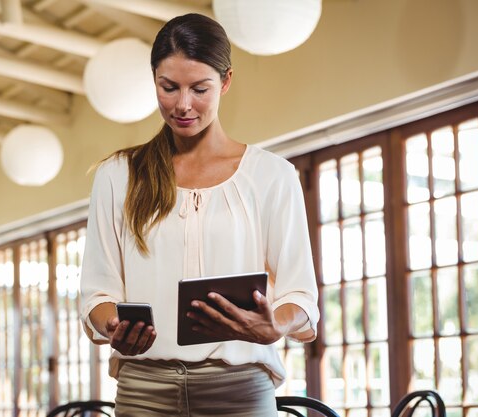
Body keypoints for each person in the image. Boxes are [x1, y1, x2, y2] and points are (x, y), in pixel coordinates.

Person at [80, 13, 319, 417]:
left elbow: (301, 292)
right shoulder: (117, 176)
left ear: (225, 81)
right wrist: (113, 327)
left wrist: (275, 325)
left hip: (240, 392)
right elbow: (97, 292)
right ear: (154, 79)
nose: (183, 105)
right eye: (168, 87)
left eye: (200, 88)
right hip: (143, 392)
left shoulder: (273, 175)